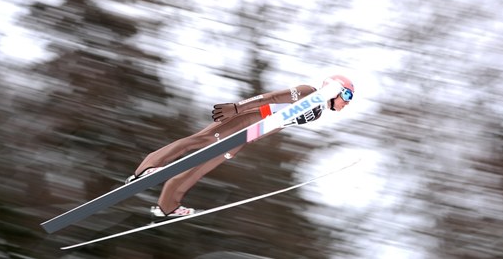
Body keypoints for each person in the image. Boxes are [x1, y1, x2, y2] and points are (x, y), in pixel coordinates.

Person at [125, 75, 355, 217]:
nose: (347, 102)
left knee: (204, 165)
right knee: (201, 141)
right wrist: (238, 107)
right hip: (248, 118)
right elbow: (272, 97)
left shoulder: (317, 112)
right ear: (334, 88)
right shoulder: (309, 93)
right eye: (346, 95)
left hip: (252, 134)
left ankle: (167, 205)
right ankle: (145, 169)